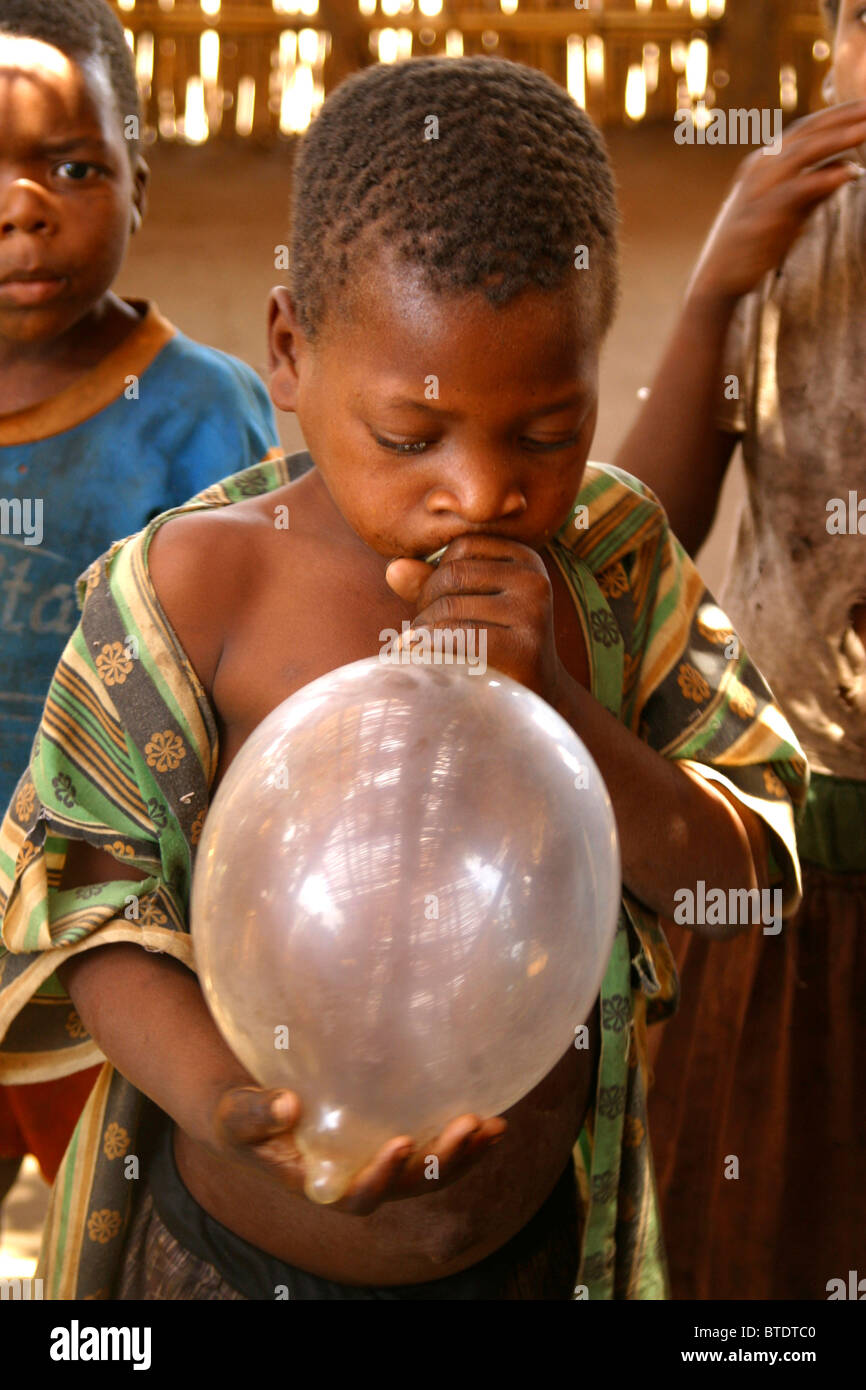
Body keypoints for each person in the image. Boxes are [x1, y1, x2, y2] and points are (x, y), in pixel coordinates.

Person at [0, 56, 806, 1301]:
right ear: (289, 351)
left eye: (546, 432)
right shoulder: (193, 592)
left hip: (530, 1260)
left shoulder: (612, 565)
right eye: (409, 437)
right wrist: (232, 1106)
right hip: (226, 1261)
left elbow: (740, 884)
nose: (481, 492)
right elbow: (87, 912)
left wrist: (559, 702)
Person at [0, 0, 279, 1221]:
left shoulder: (204, 416)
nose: (24, 209)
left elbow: (259, 686)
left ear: (137, 184)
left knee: (122, 1232)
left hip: (119, 956)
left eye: (72, 169)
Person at [613, 0, 866, 1301]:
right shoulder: (791, 246)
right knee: (758, 1236)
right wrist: (715, 284)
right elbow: (644, 530)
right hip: (792, 858)